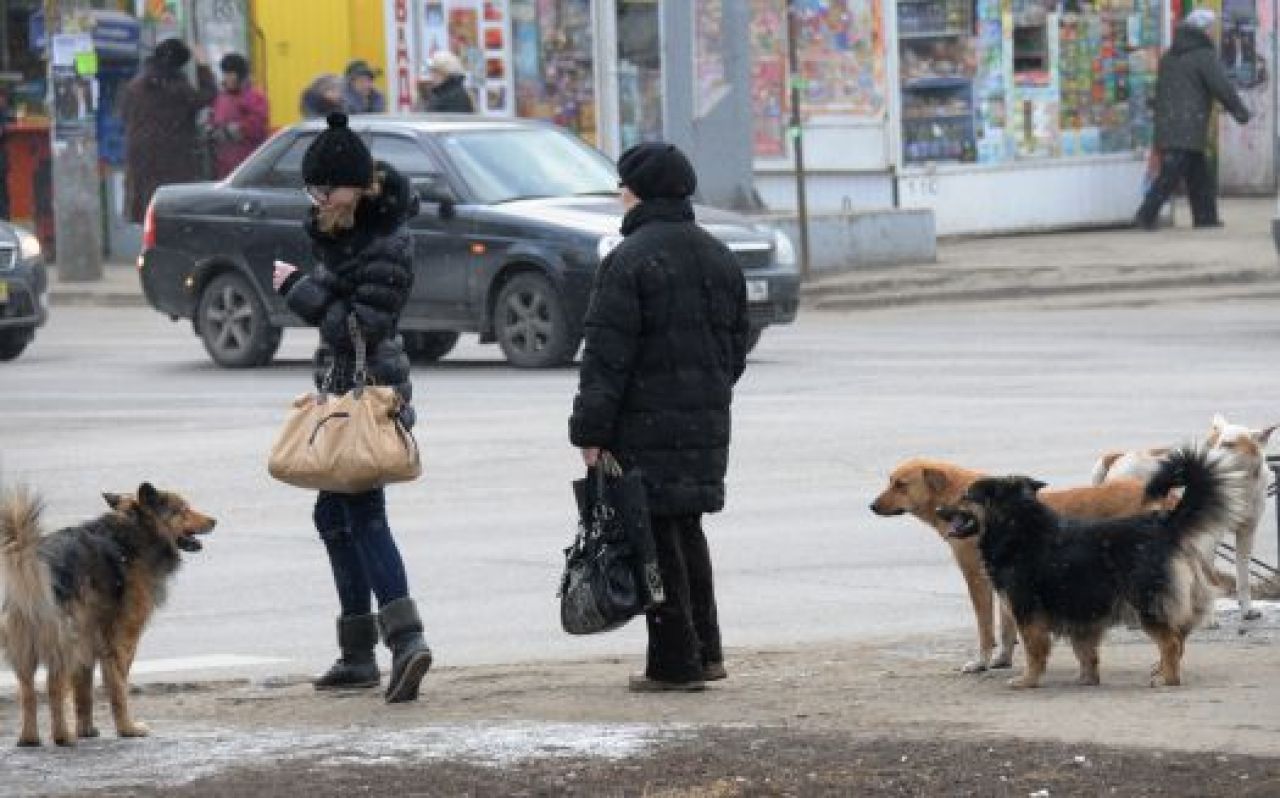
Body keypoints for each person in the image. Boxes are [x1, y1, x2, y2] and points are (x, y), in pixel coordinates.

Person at [569, 142, 751, 692]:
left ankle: (675, 664)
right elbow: (735, 346)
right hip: (704, 420)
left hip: (642, 424)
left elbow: (606, 357)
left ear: (637, 191)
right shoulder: (719, 255)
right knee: (685, 530)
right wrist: (708, 392)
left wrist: (590, 432)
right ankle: (706, 651)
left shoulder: (628, 261)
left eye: (623, 186)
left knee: (656, 539)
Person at [270, 112, 432, 704]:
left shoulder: (386, 239)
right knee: (333, 519)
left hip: (370, 392)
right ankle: (358, 653)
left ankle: (406, 640)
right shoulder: (340, 230)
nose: (317, 201)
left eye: (326, 189)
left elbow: (360, 324)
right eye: (311, 190)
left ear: (357, 186)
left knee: (363, 516)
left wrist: (299, 291)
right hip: (339, 389)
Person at [1135, 8, 1250, 230]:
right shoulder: (1203, 55)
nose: (1213, 33)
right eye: (1210, 28)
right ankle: (1145, 215)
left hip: (1171, 123)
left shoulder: (1170, 55)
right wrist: (1240, 111)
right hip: (1188, 125)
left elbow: (1161, 92)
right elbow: (1221, 86)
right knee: (1170, 175)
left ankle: (1206, 217)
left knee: (1199, 174)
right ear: (1204, 30)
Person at [120, 38, 216, 223]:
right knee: (170, 210)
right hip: (171, 157)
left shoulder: (135, 86)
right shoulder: (174, 87)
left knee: (148, 208)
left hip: (140, 156)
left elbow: (124, 115)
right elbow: (206, 96)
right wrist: (203, 66)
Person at [208, 53, 269, 179]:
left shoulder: (254, 97)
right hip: (224, 165)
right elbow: (214, 119)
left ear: (240, 76)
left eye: (231, 74)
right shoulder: (221, 98)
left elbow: (257, 126)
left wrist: (232, 131)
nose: (227, 78)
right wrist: (211, 130)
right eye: (225, 74)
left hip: (247, 165)